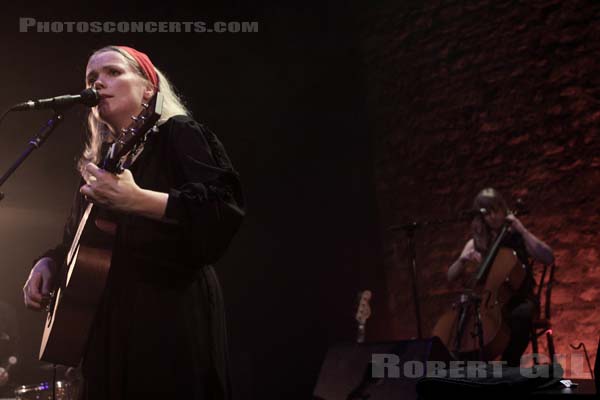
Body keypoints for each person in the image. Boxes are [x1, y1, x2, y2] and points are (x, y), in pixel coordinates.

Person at [22, 45, 244, 399]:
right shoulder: (100, 167)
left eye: (113, 72)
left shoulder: (178, 133)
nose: (99, 83)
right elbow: (75, 241)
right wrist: (46, 262)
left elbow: (222, 209)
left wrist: (137, 199)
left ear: (149, 88)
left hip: (167, 309)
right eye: (92, 78)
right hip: (109, 321)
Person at [447, 188, 554, 366]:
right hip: (491, 304)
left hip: (521, 299)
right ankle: (465, 365)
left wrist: (522, 230)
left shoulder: (517, 237)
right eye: (486, 214)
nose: (492, 217)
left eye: (495, 211)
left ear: (503, 210)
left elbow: (548, 257)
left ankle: (509, 366)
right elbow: (451, 275)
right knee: (464, 316)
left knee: (520, 315)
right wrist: (463, 259)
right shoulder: (477, 242)